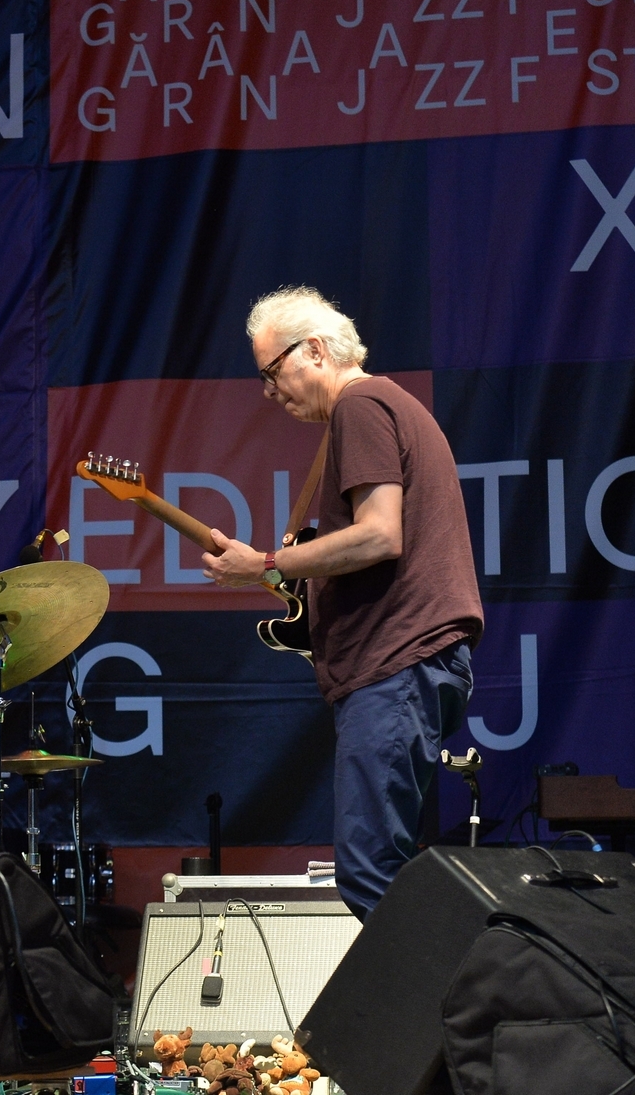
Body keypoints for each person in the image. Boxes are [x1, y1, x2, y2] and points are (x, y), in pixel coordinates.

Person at [201, 287, 483, 918]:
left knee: (367, 872)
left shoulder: (361, 405)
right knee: (391, 868)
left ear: (317, 351)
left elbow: (381, 534)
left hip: (395, 665)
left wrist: (266, 564)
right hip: (410, 663)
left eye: (273, 372)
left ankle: (449, 1010)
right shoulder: (385, 407)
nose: (270, 392)